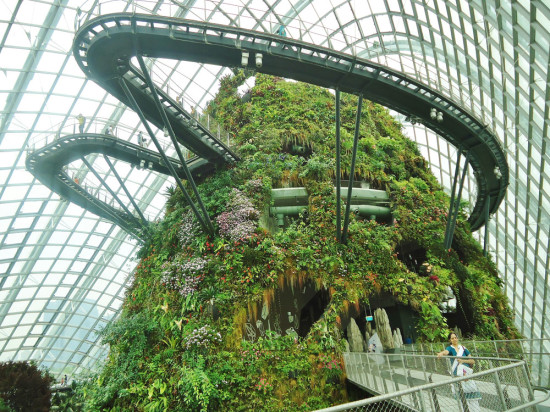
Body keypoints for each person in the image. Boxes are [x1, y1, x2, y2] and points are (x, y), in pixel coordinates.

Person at [437, 332, 481, 411]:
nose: (454, 339)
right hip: (458, 376)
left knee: (473, 397)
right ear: (450, 340)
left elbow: (472, 361)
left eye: (455, 337)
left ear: (457, 338)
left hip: (467, 374)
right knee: (462, 399)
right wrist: (441, 353)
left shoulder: (463, 348)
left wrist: (463, 361)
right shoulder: (450, 348)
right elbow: (445, 352)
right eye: (452, 338)